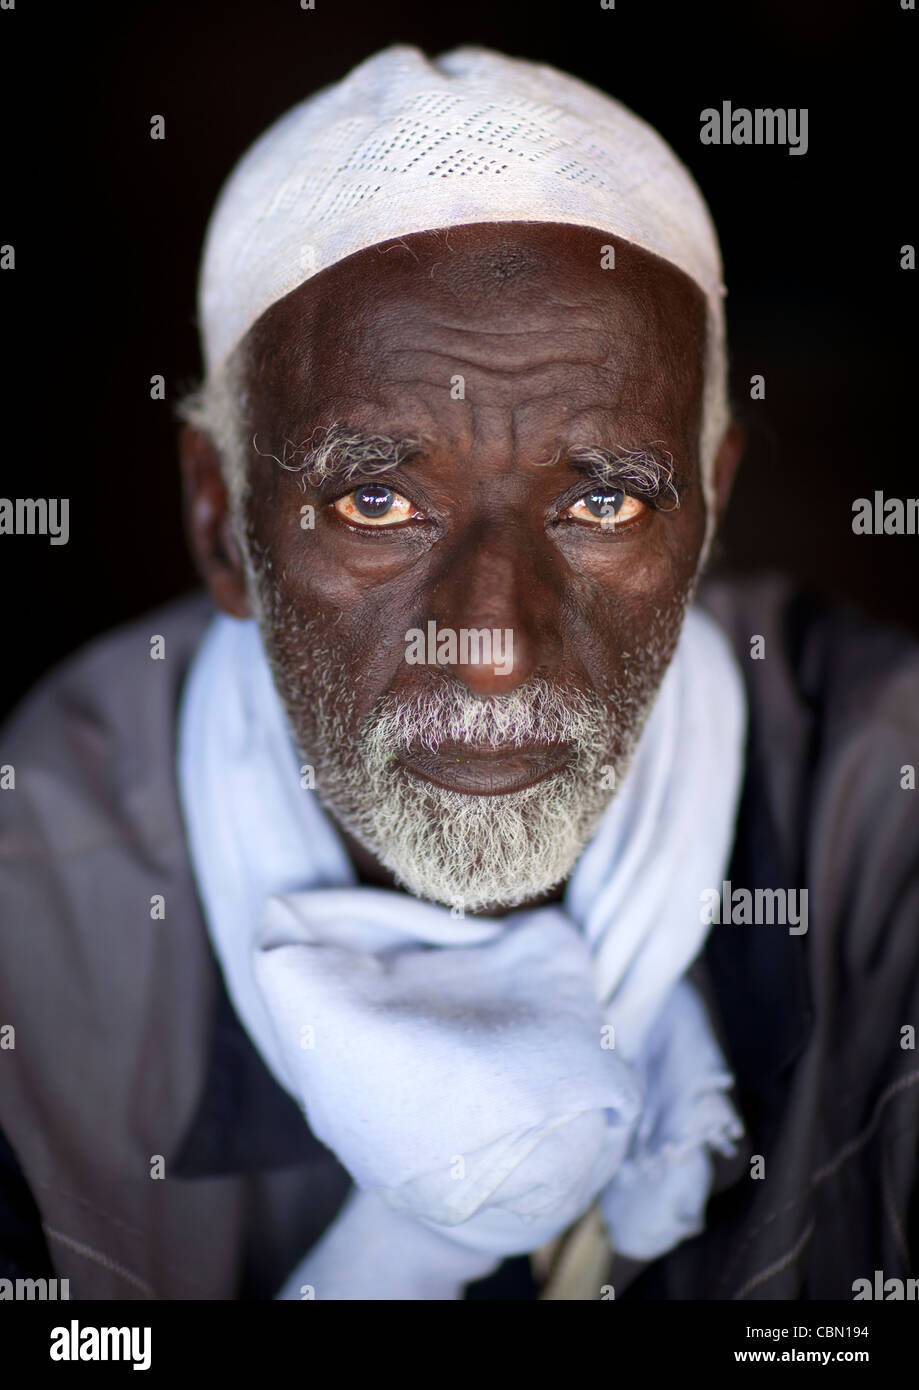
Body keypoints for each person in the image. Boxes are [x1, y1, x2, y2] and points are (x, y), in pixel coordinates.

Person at [1, 45, 917, 1302]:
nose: (491, 646)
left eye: (601, 499)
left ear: (710, 508)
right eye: (375, 500)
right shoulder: (30, 932)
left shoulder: (885, 819)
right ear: (220, 524)